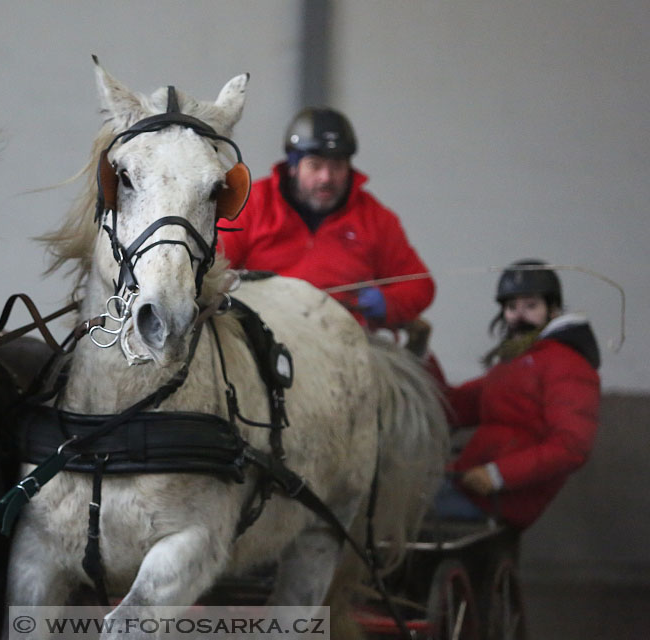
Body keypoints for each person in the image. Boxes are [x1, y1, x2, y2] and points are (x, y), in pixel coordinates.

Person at [218, 107, 434, 329]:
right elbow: (212, 268)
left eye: (337, 166)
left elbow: (419, 285)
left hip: (348, 339)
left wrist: (388, 303)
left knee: (424, 365)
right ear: (293, 167)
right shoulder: (252, 204)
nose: (326, 177)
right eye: (315, 165)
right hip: (265, 335)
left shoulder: (375, 218)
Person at [430, 260, 601, 529]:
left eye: (530, 306)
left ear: (553, 310)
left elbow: (571, 447)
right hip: (469, 483)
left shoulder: (568, 365)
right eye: (511, 307)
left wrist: (497, 475)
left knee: (389, 508)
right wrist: (420, 351)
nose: (519, 316)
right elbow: (453, 409)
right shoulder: (514, 363)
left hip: (501, 498)